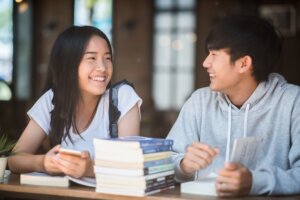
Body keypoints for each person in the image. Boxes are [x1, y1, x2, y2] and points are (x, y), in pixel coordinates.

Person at [166, 15, 300, 197]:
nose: (205, 63)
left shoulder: (292, 102)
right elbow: (163, 163)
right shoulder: (199, 101)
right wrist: (184, 165)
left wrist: (254, 182)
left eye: (214, 54)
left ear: (244, 64)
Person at [8, 26, 142, 178]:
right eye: (92, 58)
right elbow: (14, 159)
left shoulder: (122, 97)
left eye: (107, 58)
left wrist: (90, 169)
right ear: (68, 65)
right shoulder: (52, 100)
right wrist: (44, 162)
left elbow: (131, 162)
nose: (103, 67)